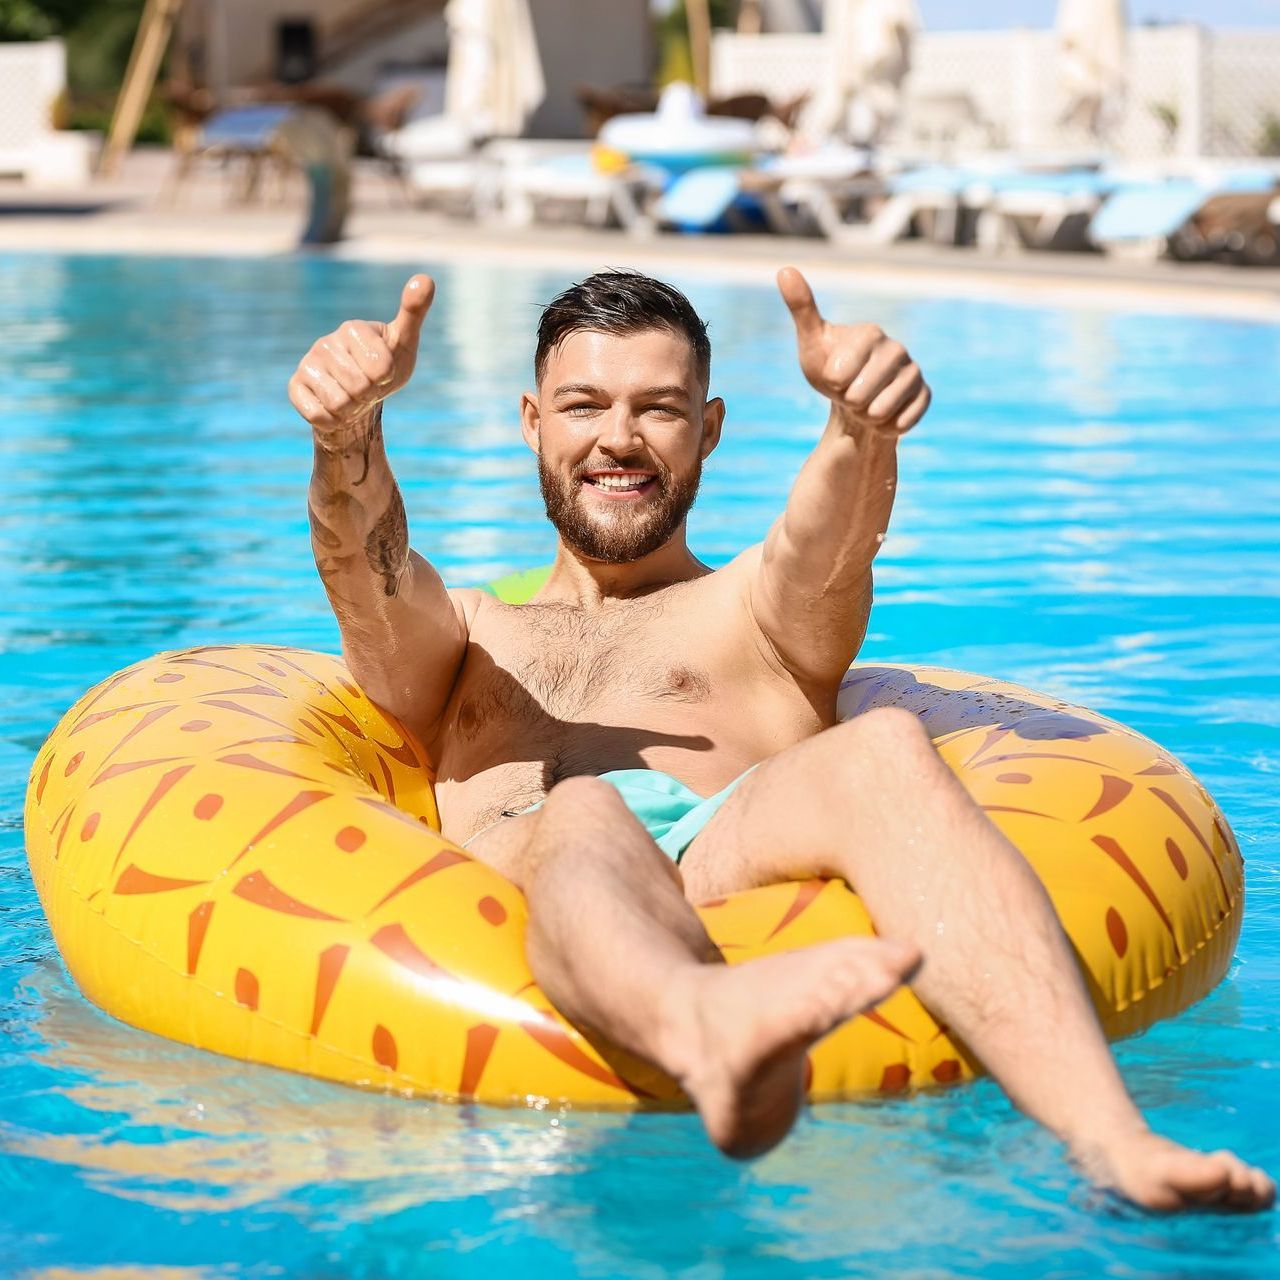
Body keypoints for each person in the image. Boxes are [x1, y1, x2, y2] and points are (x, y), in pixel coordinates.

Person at [289, 268, 1273, 1211]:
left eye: (658, 408)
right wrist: (346, 434)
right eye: (583, 405)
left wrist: (857, 427)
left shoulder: (753, 607)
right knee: (581, 807)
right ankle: (703, 1024)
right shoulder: (465, 632)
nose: (618, 438)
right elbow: (363, 572)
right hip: (530, 877)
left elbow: (826, 539)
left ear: (707, 430)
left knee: (882, 747)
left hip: (721, 852)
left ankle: (1115, 1140)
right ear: (530, 421)